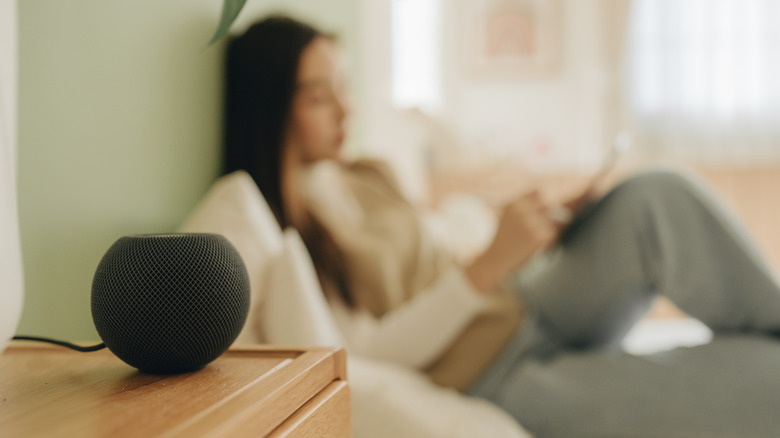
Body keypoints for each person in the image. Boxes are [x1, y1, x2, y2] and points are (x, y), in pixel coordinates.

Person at [225, 15, 780, 437]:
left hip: (527, 299)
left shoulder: (370, 174)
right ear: (270, 107)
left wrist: (529, 230)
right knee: (766, 381)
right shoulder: (288, 240)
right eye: (322, 96)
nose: (346, 110)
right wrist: (488, 264)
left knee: (654, 196)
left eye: (345, 87)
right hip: (488, 369)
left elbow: (442, 243)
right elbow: (367, 357)